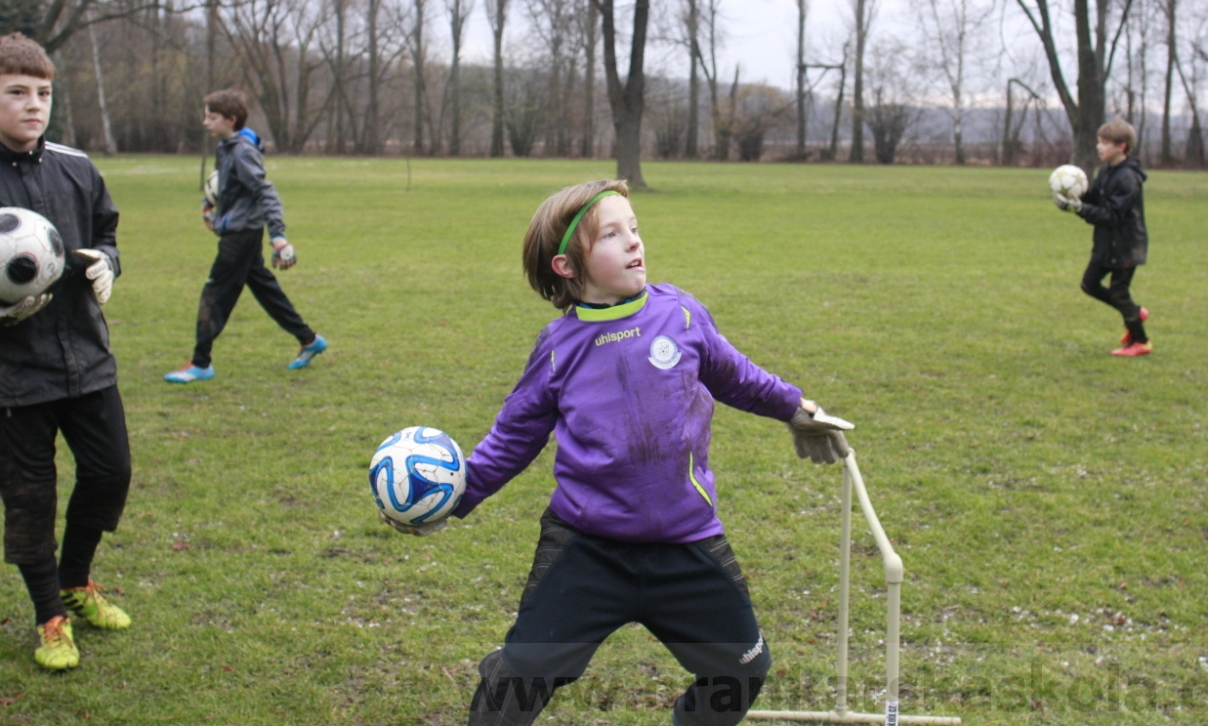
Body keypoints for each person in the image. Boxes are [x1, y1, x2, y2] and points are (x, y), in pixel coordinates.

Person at [382, 179, 853, 726]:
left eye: (635, 229)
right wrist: (453, 500)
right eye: (612, 233)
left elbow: (737, 375)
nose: (634, 243)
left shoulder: (680, 316)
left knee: (741, 672)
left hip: (687, 543)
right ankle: (509, 671)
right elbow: (514, 439)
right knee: (518, 684)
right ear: (566, 266)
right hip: (586, 548)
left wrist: (795, 408)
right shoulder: (558, 349)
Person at [0, 32, 133, 671]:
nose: (34, 105)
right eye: (17, 92)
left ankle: (78, 582)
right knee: (31, 499)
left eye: (43, 93)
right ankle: (50, 615)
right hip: (14, 377)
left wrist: (106, 261)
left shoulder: (75, 167)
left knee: (111, 473)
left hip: (87, 358)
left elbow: (106, 232)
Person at [165, 89, 326, 382]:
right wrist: (208, 206)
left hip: (240, 236)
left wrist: (278, 236)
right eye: (206, 116)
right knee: (266, 290)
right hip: (239, 230)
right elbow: (226, 188)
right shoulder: (226, 147)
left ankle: (201, 363)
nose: (205, 122)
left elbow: (265, 191)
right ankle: (309, 339)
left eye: (212, 117)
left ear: (231, 119)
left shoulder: (242, 151)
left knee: (214, 295)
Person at [1054, 117, 1151, 356]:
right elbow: (1097, 197)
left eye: (1105, 143)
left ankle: (1141, 341)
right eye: (1099, 142)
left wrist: (1078, 209)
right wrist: (1075, 195)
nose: (1099, 147)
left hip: (1126, 245)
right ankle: (1134, 312)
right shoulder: (1108, 169)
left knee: (1119, 293)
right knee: (1089, 284)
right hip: (1107, 243)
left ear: (1122, 147)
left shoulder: (1128, 178)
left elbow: (1111, 215)